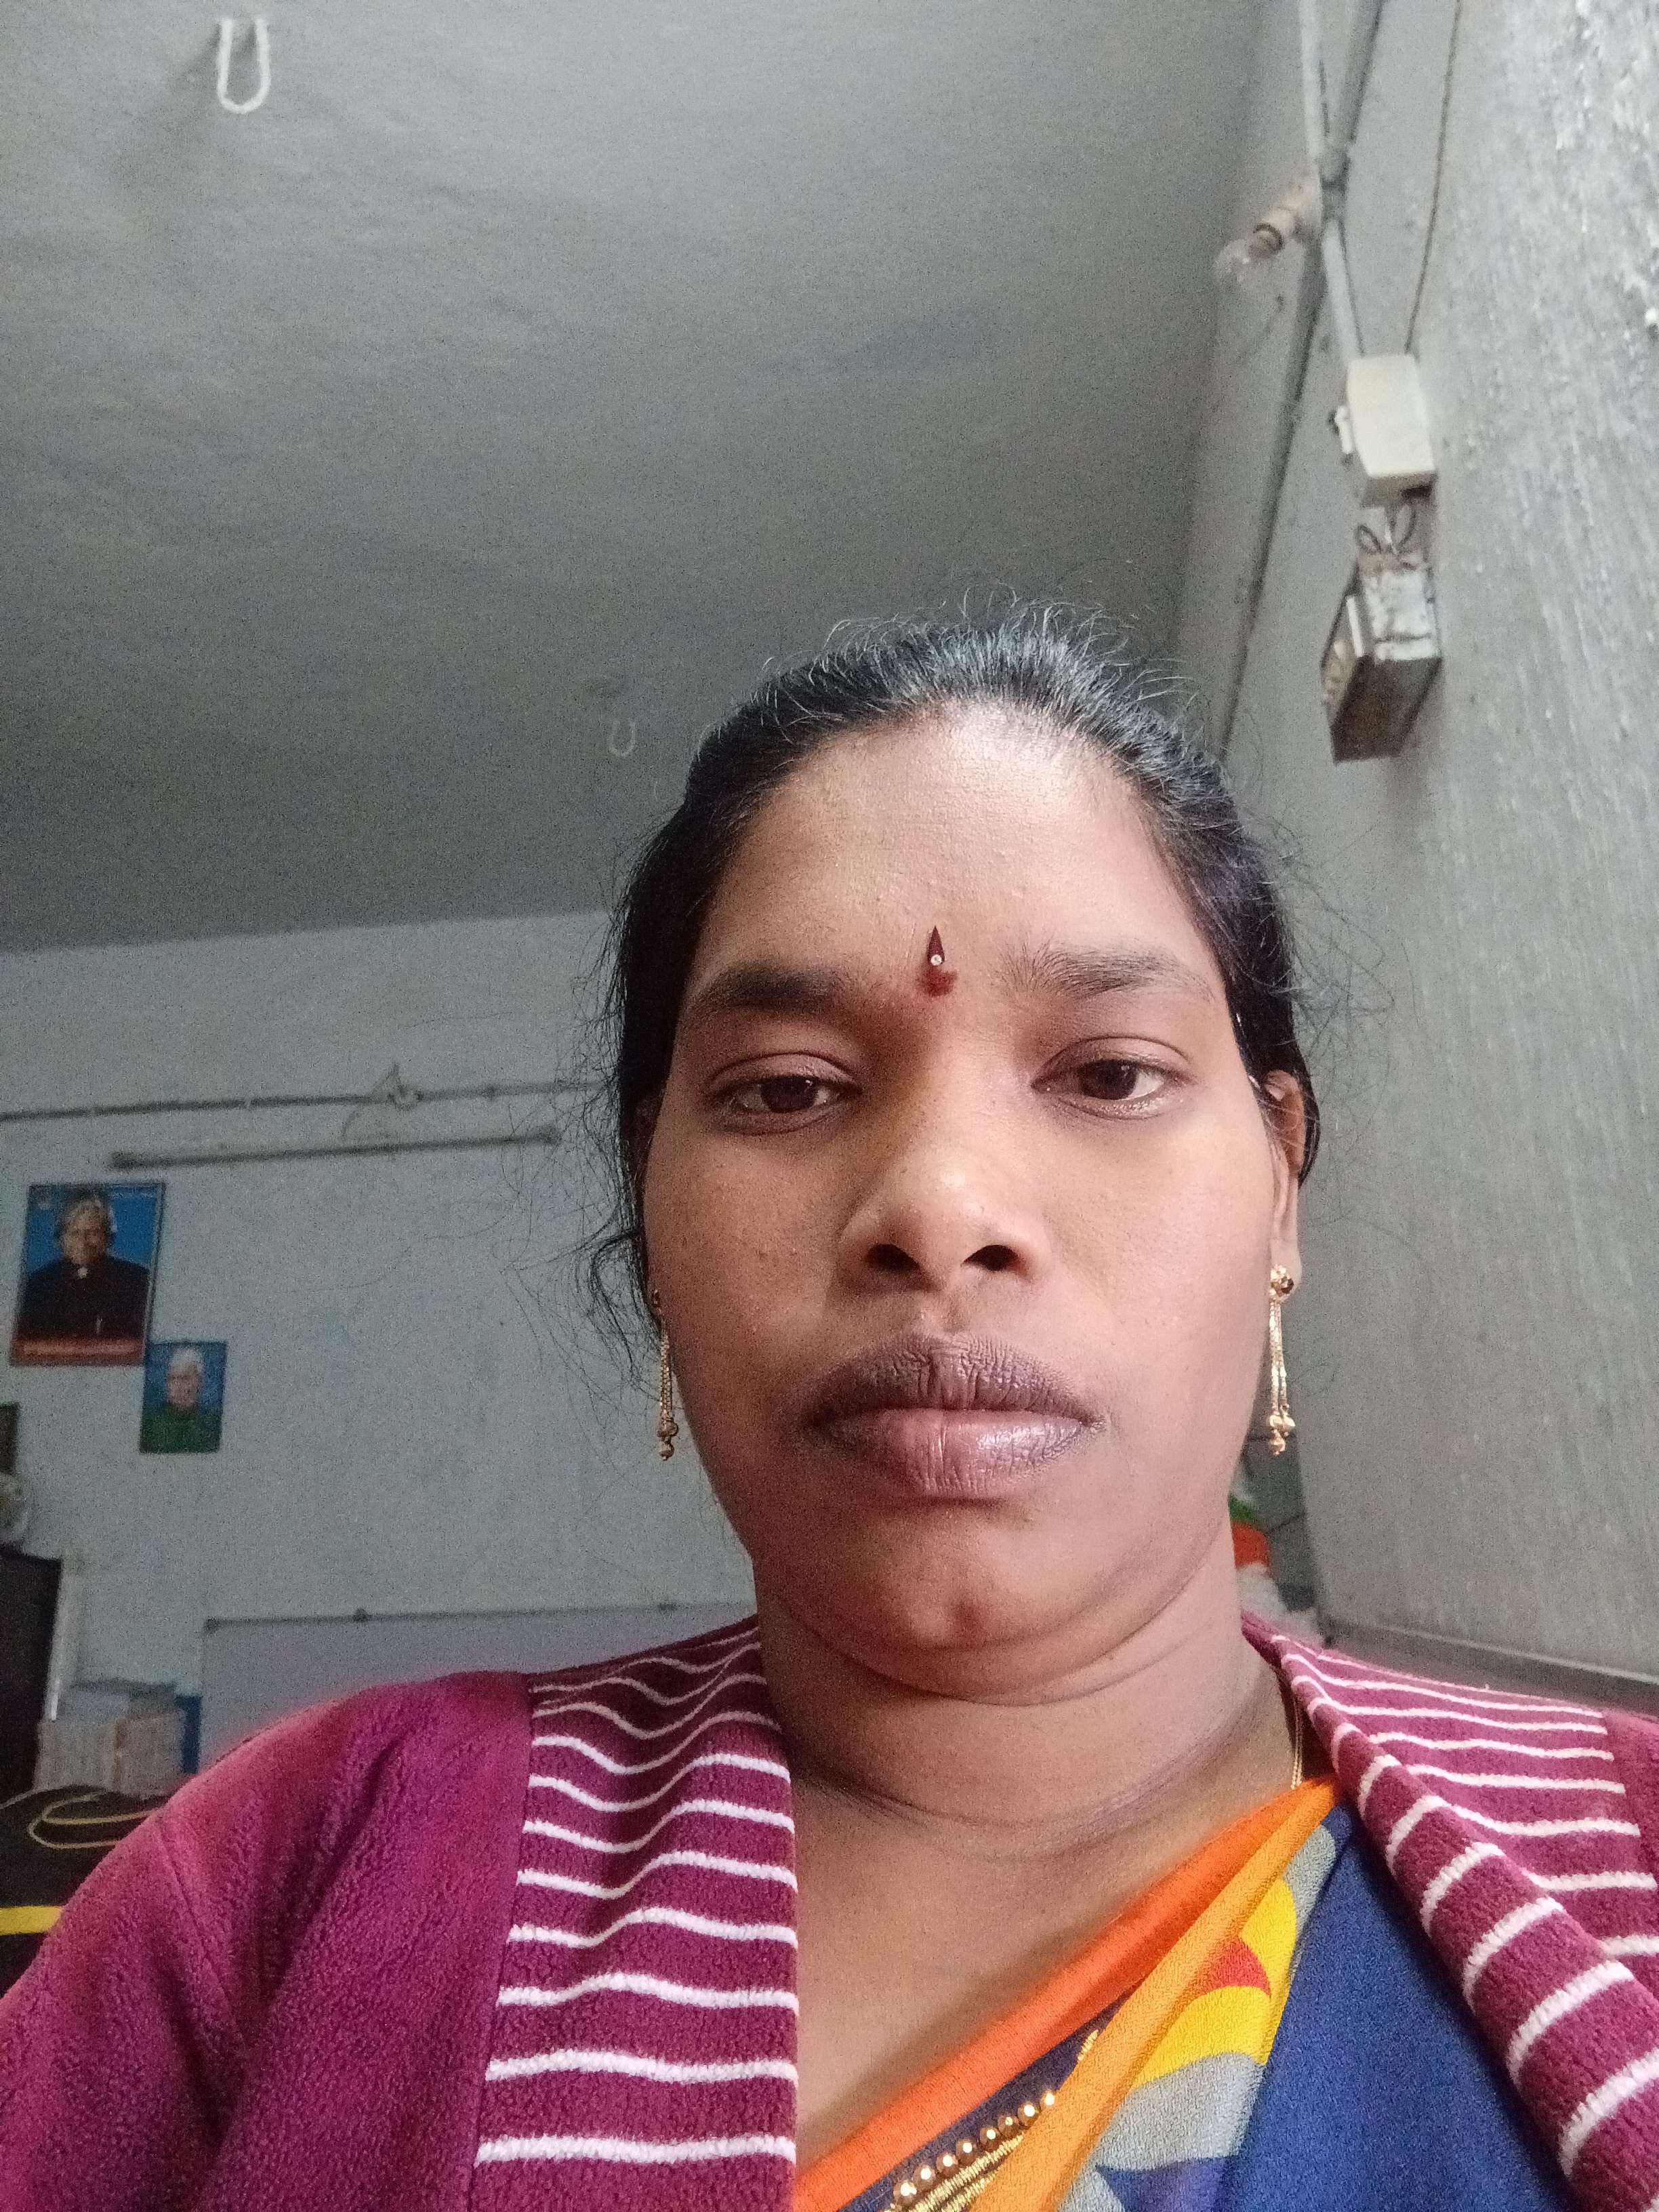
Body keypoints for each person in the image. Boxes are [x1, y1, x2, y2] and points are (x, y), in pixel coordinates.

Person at [1, 611, 1656, 2212]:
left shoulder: (1626, 1862)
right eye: (786, 1088)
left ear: (1279, 1183)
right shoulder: (307, 1871)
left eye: (1106, 1073)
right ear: (649, 1207)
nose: (937, 1207)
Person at [12, 1187, 151, 1355]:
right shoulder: (38, 1284)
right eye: (74, 1233)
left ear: (108, 1236)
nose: (82, 1242)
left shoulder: (138, 1280)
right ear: (61, 1238)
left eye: (92, 1233)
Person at [138, 1345, 222, 1453]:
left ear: (199, 1382)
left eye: (185, 1379)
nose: (178, 1386)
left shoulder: (212, 1424)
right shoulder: (150, 1422)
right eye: (172, 1379)